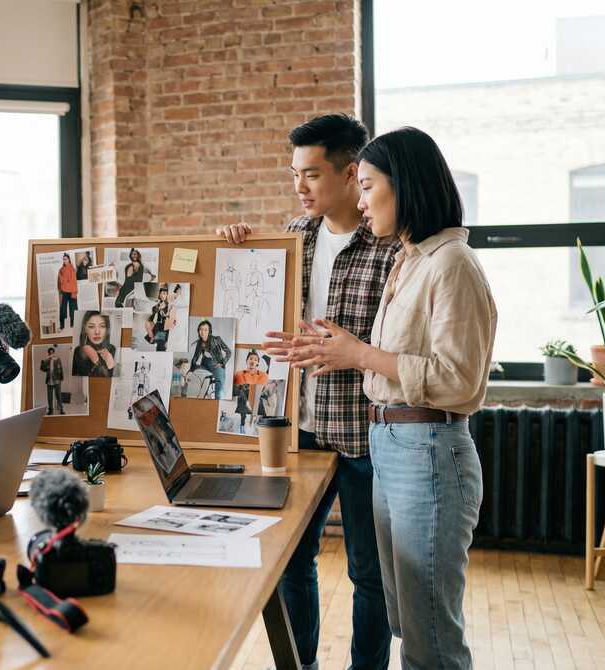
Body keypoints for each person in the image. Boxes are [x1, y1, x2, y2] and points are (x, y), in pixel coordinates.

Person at [270, 126, 496, 669]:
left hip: (424, 448)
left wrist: (356, 354)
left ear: (404, 185)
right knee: (410, 620)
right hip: (393, 440)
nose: (364, 200)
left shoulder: (450, 263)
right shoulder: (412, 258)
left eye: (368, 186)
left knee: (429, 635)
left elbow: (460, 381)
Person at [219, 113, 396, 670]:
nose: (299, 186)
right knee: (293, 561)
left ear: (351, 175)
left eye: (312, 174)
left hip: (368, 435)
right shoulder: (293, 237)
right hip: (301, 428)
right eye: (295, 173)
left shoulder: (390, 244)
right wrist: (240, 244)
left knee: (370, 572)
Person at [190, 319, 231, 399]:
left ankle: (217, 402)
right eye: (201, 329)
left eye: (205, 330)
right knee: (195, 377)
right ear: (198, 331)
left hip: (217, 365)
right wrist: (191, 370)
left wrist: (222, 363)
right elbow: (195, 357)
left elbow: (229, 352)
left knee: (219, 387)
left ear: (209, 331)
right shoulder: (199, 342)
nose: (203, 332)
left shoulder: (217, 339)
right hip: (205, 365)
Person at [72, 311, 117, 377]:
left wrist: (111, 365)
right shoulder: (78, 350)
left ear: (107, 329)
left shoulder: (112, 349)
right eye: (91, 326)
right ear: (85, 329)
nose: (97, 332)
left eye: (102, 326)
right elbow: (78, 380)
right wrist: (96, 361)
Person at [145, 284, 171, 351]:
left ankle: (157, 341)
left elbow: (168, 317)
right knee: (148, 323)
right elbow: (150, 318)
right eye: (161, 293)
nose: (162, 295)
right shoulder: (157, 305)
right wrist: (157, 308)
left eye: (164, 293)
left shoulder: (169, 305)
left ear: (167, 295)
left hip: (165, 328)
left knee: (160, 346)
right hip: (158, 326)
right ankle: (154, 338)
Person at [40, 346, 65, 415]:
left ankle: (61, 409)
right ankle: (50, 411)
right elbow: (42, 368)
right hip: (49, 381)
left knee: (58, 396)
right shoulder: (46, 361)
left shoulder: (57, 359)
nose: (51, 354)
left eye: (52, 353)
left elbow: (61, 369)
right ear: (48, 353)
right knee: (50, 397)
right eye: (50, 353)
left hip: (57, 381)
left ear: (54, 353)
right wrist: (46, 359)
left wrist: (61, 378)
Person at [58, 253, 78, 330]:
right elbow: (59, 282)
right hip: (64, 291)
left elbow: (74, 281)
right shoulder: (61, 270)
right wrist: (60, 290)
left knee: (73, 308)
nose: (64, 260)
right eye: (63, 259)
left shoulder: (73, 269)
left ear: (69, 259)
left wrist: (74, 292)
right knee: (62, 308)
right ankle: (62, 325)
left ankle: (73, 324)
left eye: (65, 259)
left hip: (72, 291)